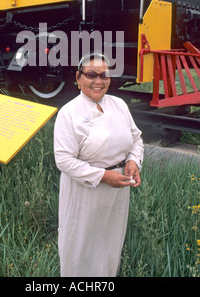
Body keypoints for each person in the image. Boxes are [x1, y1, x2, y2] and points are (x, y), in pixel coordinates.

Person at [53, 52, 144, 277]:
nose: (98, 81)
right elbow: (64, 160)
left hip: (118, 191)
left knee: (110, 243)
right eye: (91, 75)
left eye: (104, 75)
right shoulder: (69, 113)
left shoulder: (119, 105)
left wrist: (133, 161)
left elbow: (136, 139)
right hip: (84, 192)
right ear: (78, 77)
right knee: (80, 245)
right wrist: (104, 176)